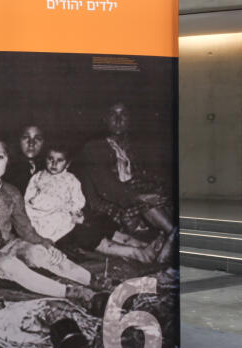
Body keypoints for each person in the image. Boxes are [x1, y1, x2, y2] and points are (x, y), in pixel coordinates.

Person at [0, 137, 94, 300]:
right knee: (9, 265)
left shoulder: (12, 192)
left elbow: (25, 229)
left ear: (8, 160)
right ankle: (72, 293)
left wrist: (47, 245)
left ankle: (94, 280)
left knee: (39, 253)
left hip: (11, 246)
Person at [75, 102, 177, 264]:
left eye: (123, 115)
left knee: (161, 194)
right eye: (113, 114)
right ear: (104, 119)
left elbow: (147, 176)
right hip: (105, 204)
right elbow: (106, 186)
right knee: (146, 199)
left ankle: (171, 234)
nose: (118, 119)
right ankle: (173, 233)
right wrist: (140, 197)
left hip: (129, 198)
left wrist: (157, 192)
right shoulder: (93, 147)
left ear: (129, 120)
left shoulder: (132, 146)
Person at [26, 143, 161, 265]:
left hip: (70, 220)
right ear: (45, 159)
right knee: (96, 240)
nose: (54, 164)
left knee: (101, 225)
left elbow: (78, 200)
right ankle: (137, 253)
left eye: (59, 160)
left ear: (67, 164)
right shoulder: (38, 178)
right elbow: (28, 201)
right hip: (50, 227)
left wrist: (75, 211)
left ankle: (141, 244)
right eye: (50, 159)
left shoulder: (70, 179)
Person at [7, 124, 46, 195]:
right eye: (26, 137)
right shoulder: (8, 169)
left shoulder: (51, 168)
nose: (31, 143)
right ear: (18, 140)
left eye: (38, 138)